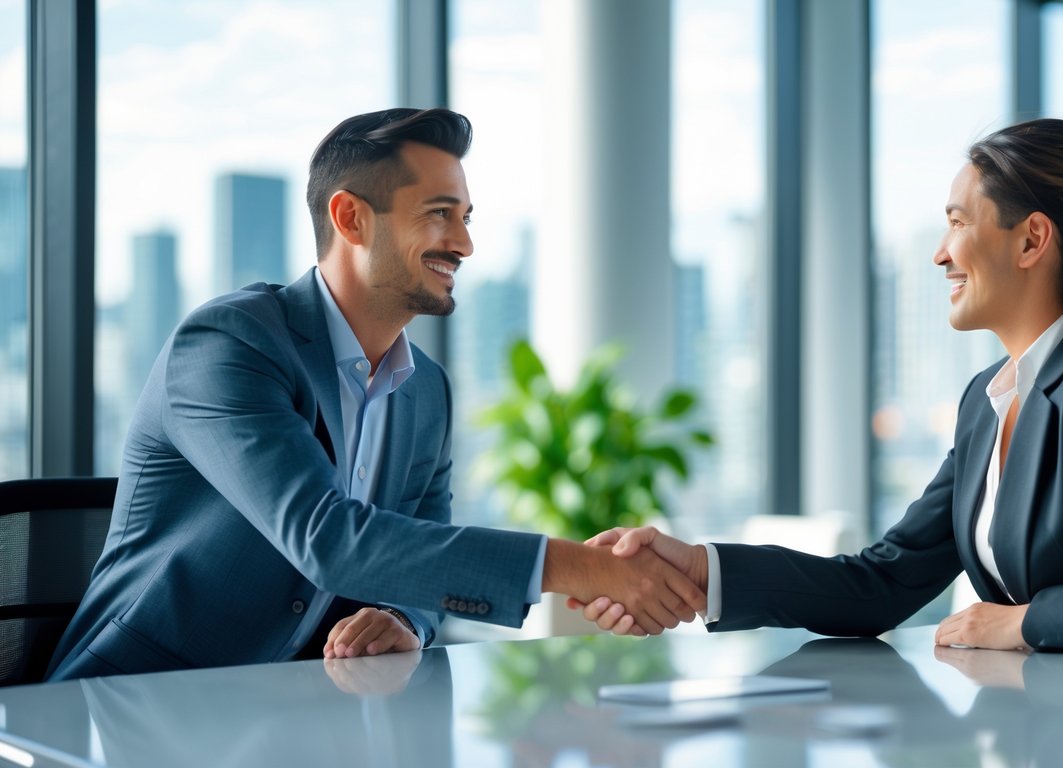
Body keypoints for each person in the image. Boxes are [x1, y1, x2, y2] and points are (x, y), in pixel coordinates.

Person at [576, 118, 1063, 658]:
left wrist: (1028, 621)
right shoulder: (988, 401)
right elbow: (883, 582)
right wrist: (701, 568)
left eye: (955, 223)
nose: (938, 252)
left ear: (1030, 241)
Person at [46, 107, 704, 682]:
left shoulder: (429, 393)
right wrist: (581, 569)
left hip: (291, 715)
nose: (465, 243)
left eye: (467, 217)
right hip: (126, 707)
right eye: (440, 215)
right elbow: (327, 537)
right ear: (351, 218)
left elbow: (423, 547)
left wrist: (403, 618)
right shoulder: (229, 345)